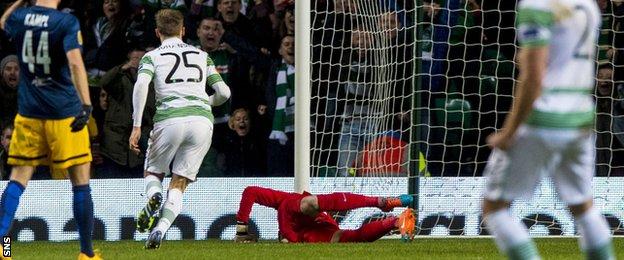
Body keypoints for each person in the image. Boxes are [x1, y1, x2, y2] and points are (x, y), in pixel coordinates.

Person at [482, 1, 614, 259]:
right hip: (580, 118)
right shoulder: (588, 5)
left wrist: (508, 132)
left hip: (544, 118)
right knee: (584, 207)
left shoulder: (537, 4)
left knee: (495, 208)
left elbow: (533, 76)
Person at [0, 0, 99, 259]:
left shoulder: (20, 17)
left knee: (17, 180)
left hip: (29, 113)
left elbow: (3, 22)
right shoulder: (64, 22)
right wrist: (86, 105)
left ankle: (3, 247)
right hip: (64, 114)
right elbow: (76, 64)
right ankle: (86, 254)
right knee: (80, 182)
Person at [130, 9, 231, 249]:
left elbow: (141, 85)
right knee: (180, 182)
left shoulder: (151, 57)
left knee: (153, 173)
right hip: (202, 122)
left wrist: (136, 125)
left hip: (170, 118)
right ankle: (160, 229)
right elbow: (224, 93)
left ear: (157, 32)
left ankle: (154, 196)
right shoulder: (201, 55)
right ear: (183, 31)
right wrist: (205, 102)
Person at [234, 186, 415, 243]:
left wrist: (242, 229)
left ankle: (380, 203)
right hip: (317, 223)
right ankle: (394, 222)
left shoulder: (285, 203)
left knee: (307, 203)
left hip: (298, 216)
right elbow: (250, 192)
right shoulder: (299, 233)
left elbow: (250, 192)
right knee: (347, 238)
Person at [98, 47, 155, 178]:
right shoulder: (119, 77)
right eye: (135, 59)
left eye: (142, 59)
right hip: (115, 143)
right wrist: (123, 68)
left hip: (142, 142)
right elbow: (105, 82)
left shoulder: (152, 81)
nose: (138, 62)